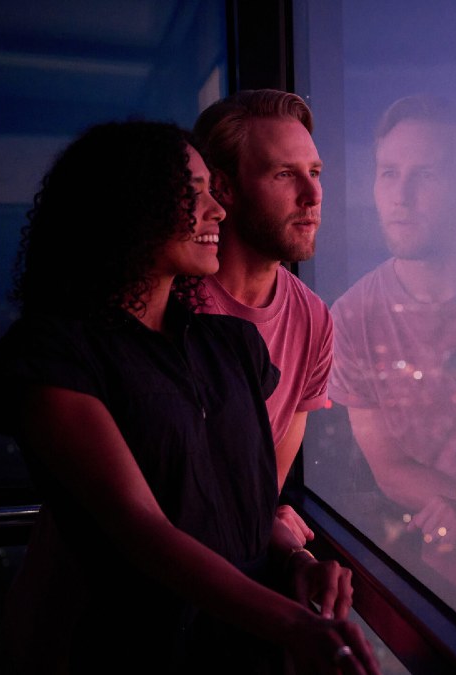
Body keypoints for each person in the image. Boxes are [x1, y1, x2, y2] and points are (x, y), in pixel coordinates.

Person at [0, 121, 378, 674]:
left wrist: (297, 561)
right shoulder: (53, 359)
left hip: (246, 650)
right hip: (131, 651)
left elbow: (241, 507)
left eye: (212, 193)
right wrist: (294, 623)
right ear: (128, 204)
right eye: (192, 193)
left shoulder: (232, 347)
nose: (216, 210)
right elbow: (141, 530)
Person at [329, 95, 456, 548]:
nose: (400, 197)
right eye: (388, 173)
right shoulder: (353, 316)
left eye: (425, 175)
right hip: (437, 560)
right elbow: (387, 467)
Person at [193, 90, 333, 547]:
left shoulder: (313, 319)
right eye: (284, 174)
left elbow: (259, 489)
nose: (312, 195)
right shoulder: (170, 303)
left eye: (314, 173)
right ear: (225, 188)